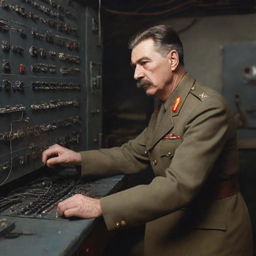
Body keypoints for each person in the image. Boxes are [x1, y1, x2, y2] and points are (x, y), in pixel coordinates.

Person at [42, 24, 253, 255]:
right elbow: (132, 153)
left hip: (210, 233)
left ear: (172, 60)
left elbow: (179, 185)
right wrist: (78, 158)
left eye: (144, 63)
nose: (137, 74)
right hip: (175, 220)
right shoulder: (167, 107)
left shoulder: (206, 108)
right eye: (135, 66)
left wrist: (100, 205)